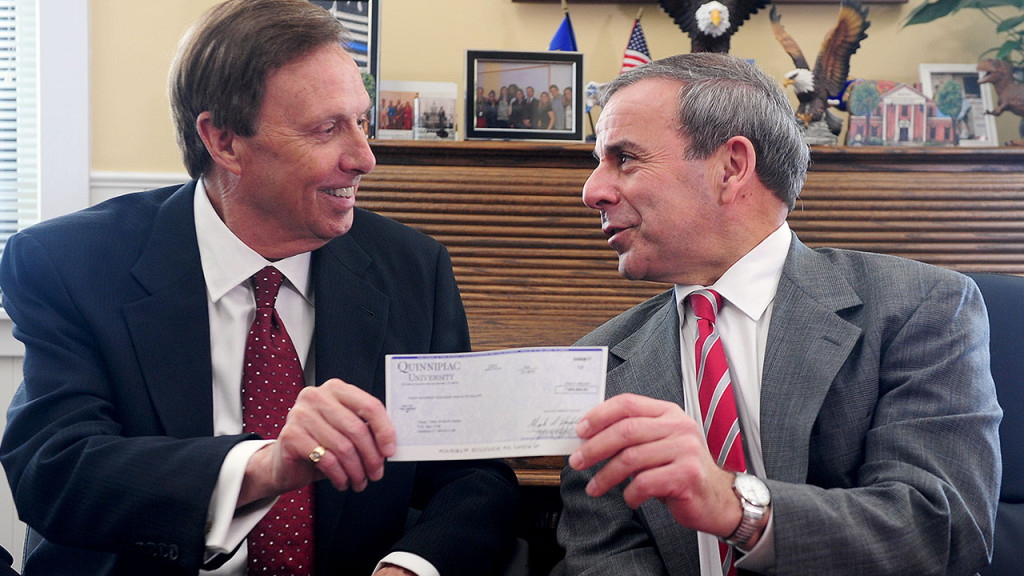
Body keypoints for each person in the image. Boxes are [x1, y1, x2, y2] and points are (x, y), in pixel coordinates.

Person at [0, 1, 519, 575]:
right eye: (327, 129)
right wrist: (264, 468)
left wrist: (410, 566)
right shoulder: (73, 263)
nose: (365, 158)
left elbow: (471, 477)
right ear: (223, 141)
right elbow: (55, 470)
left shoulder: (412, 267)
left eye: (362, 122)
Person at [557, 52, 1001, 576]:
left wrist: (734, 506)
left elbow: (940, 529)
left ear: (732, 166)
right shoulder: (596, 363)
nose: (592, 192)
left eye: (624, 158)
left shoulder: (919, 308)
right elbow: (605, 559)